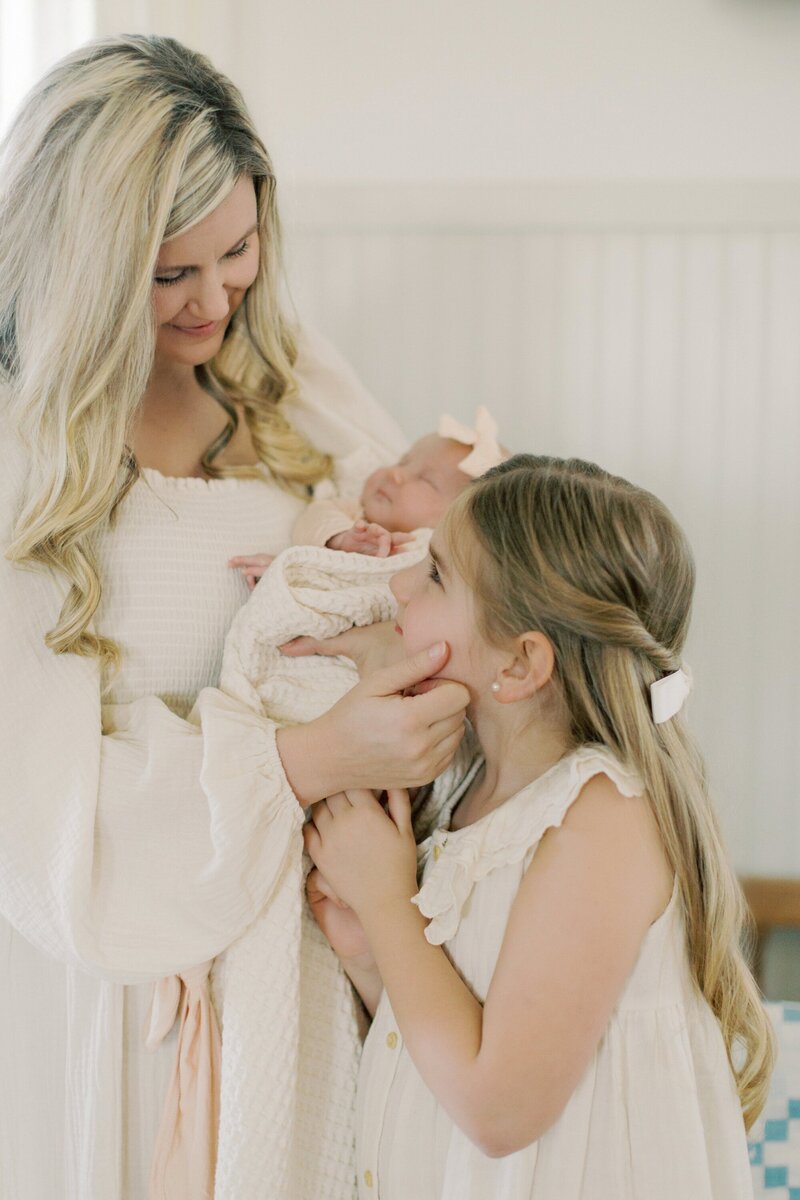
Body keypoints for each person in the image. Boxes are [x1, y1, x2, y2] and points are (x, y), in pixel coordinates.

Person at [0, 35, 470, 1200]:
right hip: (107, 989)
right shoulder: (29, 460)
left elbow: (441, 579)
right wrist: (309, 757)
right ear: (86, 268)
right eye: (171, 276)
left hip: (302, 953)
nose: (217, 298)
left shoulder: (292, 382)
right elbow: (39, 805)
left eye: (241, 250)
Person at [305, 454, 775, 1200]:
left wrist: (388, 902)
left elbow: (500, 1107)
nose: (397, 587)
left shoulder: (603, 818)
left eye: (433, 576)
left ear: (521, 663)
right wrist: (372, 955)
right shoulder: (470, 792)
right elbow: (460, 1027)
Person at [229, 407, 506, 588]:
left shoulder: (443, 559)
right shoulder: (354, 514)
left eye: (425, 479)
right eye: (403, 461)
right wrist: (340, 540)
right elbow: (315, 518)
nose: (396, 474)